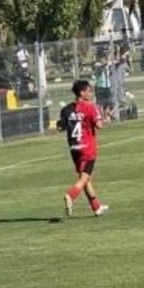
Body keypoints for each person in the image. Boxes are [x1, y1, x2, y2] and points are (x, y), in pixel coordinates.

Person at [58, 80, 109, 217]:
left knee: (86, 178)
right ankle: (71, 195)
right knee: (84, 177)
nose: (91, 93)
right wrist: (103, 117)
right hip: (87, 147)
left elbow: (60, 127)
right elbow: (99, 125)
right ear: (82, 93)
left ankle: (96, 207)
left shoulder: (67, 109)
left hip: (74, 147)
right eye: (89, 91)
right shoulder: (90, 107)